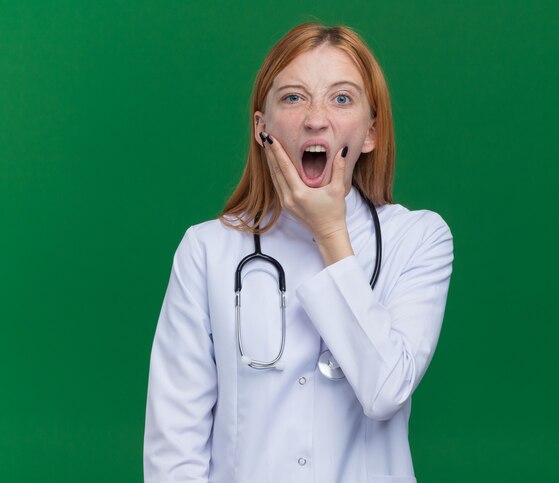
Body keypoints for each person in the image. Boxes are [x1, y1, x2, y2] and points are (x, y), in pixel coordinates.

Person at [143, 22, 454, 483]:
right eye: (293, 97)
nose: (315, 118)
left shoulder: (419, 238)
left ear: (370, 133)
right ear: (261, 127)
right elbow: (175, 447)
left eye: (341, 98)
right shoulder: (206, 250)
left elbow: (386, 391)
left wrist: (329, 231)